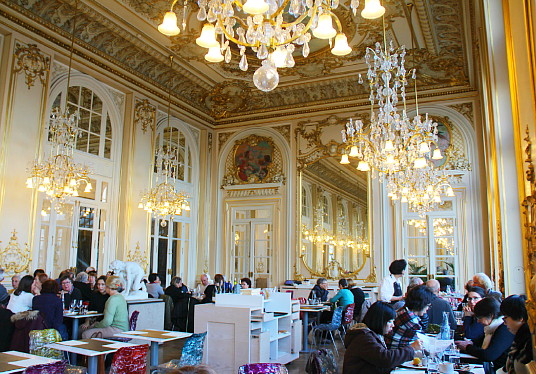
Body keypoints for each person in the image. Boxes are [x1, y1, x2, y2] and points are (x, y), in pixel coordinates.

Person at [343, 301, 422, 373]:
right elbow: (385, 359)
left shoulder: (371, 335)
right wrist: (412, 348)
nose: (393, 325)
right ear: (380, 321)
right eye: (390, 321)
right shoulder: (364, 338)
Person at [456, 297, 514, 374]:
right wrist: (471, 343)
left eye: (479, 318)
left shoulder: (504, 329)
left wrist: (467, 347)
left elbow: (489, 355)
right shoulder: (492, 328)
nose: (478, 321)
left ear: (491, 315)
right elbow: (480, 339)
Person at [385, 284, 434, 349]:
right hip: (397, 354)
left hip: (394, 350)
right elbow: (423, 342)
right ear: (421, 304)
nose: (427, 308)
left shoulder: (404, 310)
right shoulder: (410, 319)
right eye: (428, 305)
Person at [497, 295, 532, 374]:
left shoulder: (529, 341)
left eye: (505, 318)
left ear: (520, 317)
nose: (504, 323)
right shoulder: (520, 336)